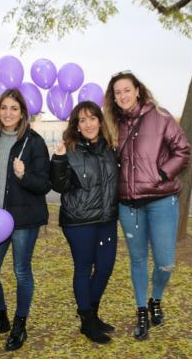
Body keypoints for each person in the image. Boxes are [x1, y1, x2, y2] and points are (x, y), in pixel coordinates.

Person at [103, 70, 190, 340]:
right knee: (138, 259)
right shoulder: (112, 125)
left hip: (161, 201)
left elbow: (183, 150)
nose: (122, 96)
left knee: (165, 263)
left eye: (127, 90)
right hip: (129, 205)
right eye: (117, 92)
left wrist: (162, 174)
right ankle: (142, 311)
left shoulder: (161, 117)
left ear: (138, 90)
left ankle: (156, 298)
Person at [0, 89, 51, 352]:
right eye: (5, 108)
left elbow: (45, 184)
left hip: (23, 220)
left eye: (14, 108)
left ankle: (20, 323)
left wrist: (24, 175)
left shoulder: (34, 142)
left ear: (23, 112)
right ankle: (1, 317)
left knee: (22, 272)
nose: (8, 113)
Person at [50, 101, 118, 344]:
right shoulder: (69, 149)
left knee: (105, 267)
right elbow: (58, 186)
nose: (88, 124)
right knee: (84, 268)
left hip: (106, 218)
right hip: (79, 221)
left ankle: (93, 313)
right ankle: (87, 321)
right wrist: (57, 160)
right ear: (76, 126)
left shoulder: (111, 148)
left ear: (100, 120)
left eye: (92, 118)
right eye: (83, 120)